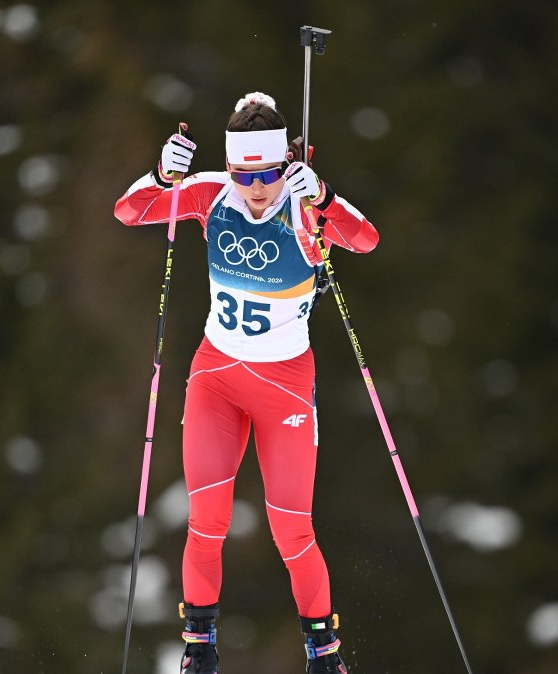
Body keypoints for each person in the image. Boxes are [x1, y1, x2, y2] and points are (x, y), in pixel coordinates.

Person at [113, 91, 377, 674]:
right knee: (207, 519)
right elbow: (129, 211)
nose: (256, 188)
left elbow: (365, 239)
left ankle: (324, 653)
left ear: (285, 162)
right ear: (230, 166)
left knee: (292, 530)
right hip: (217, 378)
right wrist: (163, 174)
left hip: (284, 385)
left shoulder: (305, 204)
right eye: (243, 174)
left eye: (268, 173)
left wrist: (325, 198)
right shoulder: (212, 195)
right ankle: (199, 649)